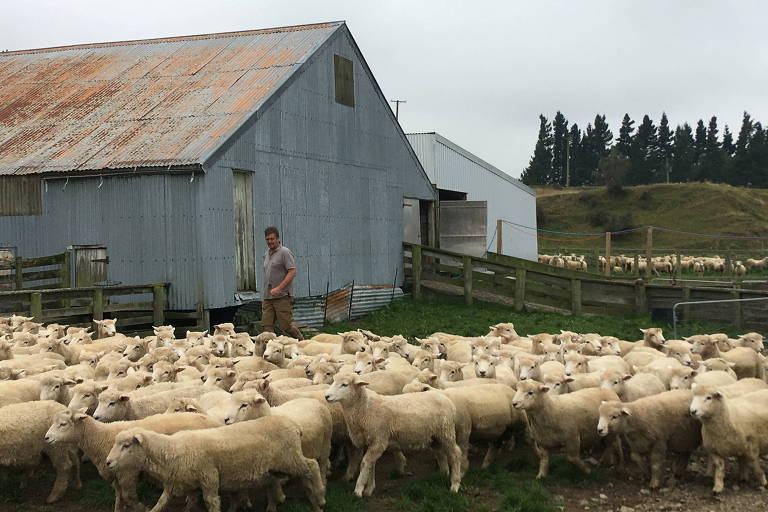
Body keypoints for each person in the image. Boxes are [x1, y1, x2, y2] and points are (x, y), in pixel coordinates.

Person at [261, 226, 304, 340]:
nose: (270, 241)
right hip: (267, 296)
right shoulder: (266, 254)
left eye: (272, 239)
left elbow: (292, 271)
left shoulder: (284, 252)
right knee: (267, 326)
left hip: (282, 296)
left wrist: (279, 288)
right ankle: (270, 351)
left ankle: (302, 342)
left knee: (286, 325)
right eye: (267, 239)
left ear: (278, 238)